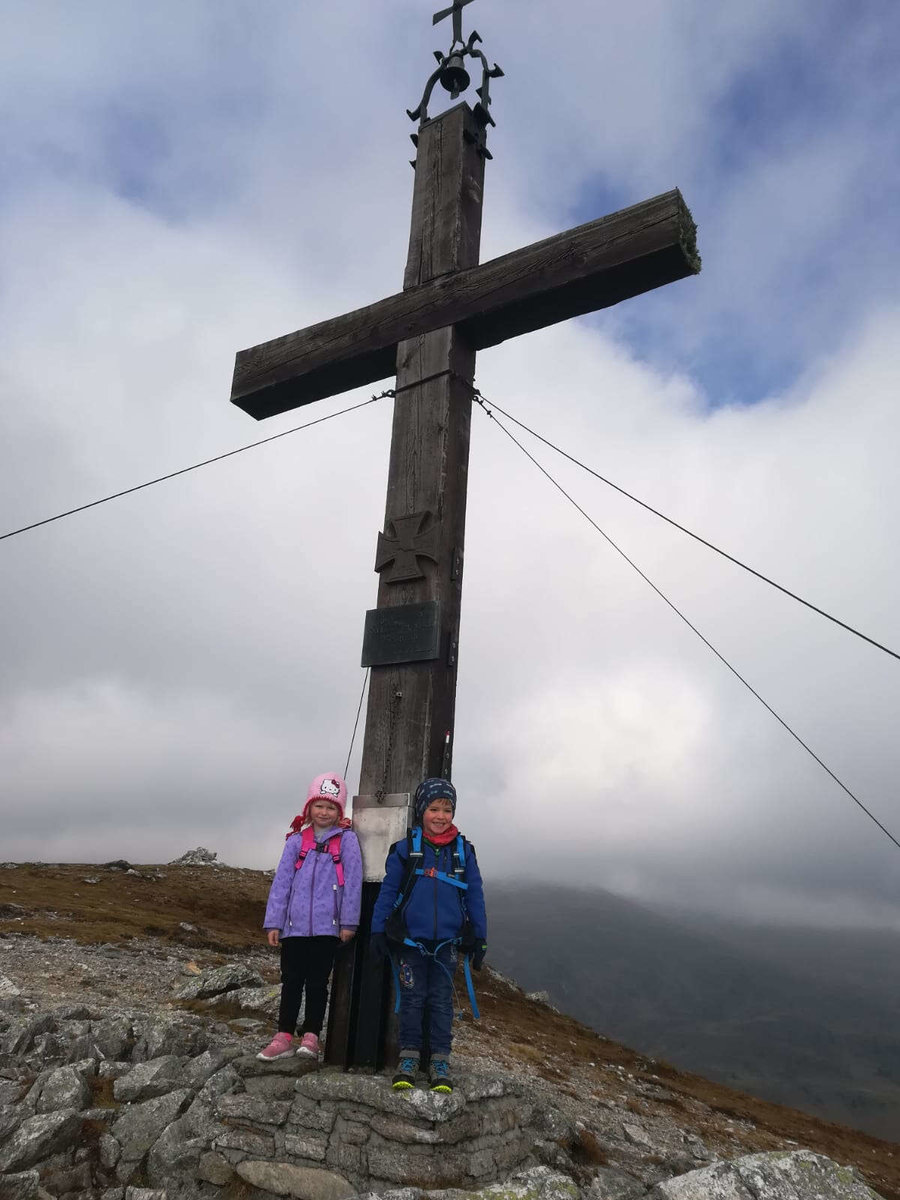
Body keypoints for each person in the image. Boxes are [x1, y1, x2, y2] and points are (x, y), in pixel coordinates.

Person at [371, 777, 487, 1093]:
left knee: (440, 1002)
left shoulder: (464, 852)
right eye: (434, 808)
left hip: (447, 943)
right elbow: (389, 890)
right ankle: (408, 1059)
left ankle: (439, 1062)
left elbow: (475, 894)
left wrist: (480, 936)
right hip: (411, 942)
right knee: (411, 1000)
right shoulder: (405, 850)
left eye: (447, 810)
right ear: (422, 810)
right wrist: (377, 930)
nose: (440, 816)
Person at [257, 772, 362, 1061]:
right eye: (319, 805)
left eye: (331, 807)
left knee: (318, 984)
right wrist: (274, 922)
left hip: (328, 930)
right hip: (293, 928)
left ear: (339, 811)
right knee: (291, 981)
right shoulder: (295, 841)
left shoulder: (347, 841)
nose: (324, 812)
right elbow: (282, 883)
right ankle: (283, 1036)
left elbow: (353, 882)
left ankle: (312, 1037)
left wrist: (348, 922)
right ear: (308, 807)